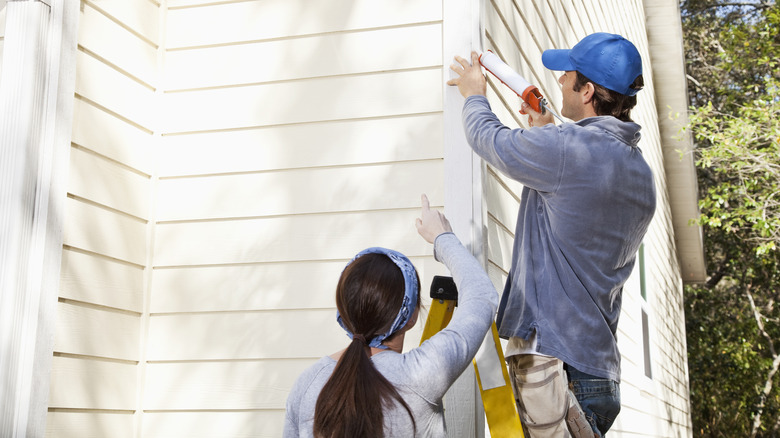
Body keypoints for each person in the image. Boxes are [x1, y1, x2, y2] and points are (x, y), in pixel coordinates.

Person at [446, 33, 657, 437]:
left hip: (553, 366)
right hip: (599, 373)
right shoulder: (640, 173)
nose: (559, 79)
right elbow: (578, 200)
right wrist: (546, 128)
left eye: (567, 74)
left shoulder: (566, 149)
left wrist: (475, 94)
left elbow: (486, 138)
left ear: (588, 90)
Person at [283, 194, 499, 438]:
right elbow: (481, 296)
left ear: (344, 311)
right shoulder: (419, 375)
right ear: (411, 315)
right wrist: (442, 237)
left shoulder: (307, 385)